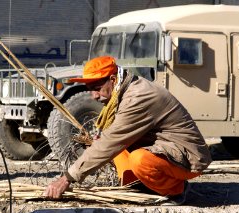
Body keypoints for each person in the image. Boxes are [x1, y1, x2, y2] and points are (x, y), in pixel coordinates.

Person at [44, 56, 212, 204]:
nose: (94, 96)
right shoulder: (122, 93)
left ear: (113, 79)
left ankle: (176, 190)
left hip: (188, 160)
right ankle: (142, 184)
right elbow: (109, 139)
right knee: (110, 146)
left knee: (139, 159)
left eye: (96, 88)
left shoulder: (138, 97)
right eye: (90, 90)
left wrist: (67, 178)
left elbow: (111, 142)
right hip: (166, 151)